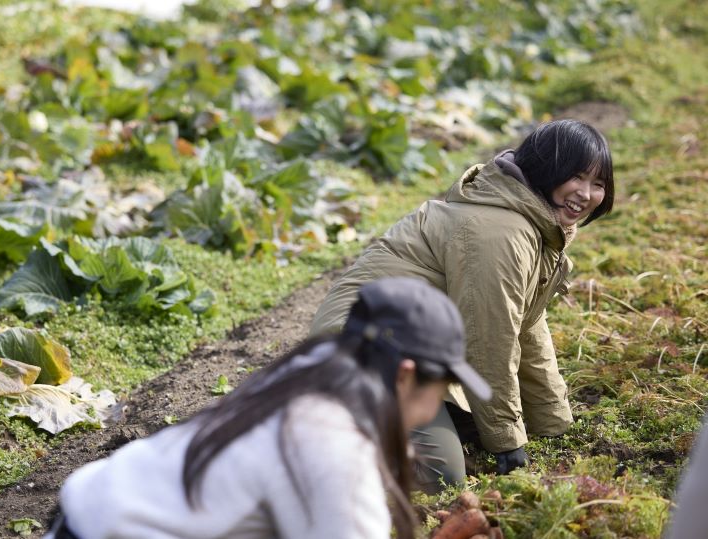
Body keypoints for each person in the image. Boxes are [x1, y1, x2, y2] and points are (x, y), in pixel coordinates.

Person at [45, 277, 491, 539]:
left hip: (89, 511)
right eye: (442, 387)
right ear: (405, 374)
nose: (437, 405)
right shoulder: (337, 448)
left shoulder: (311, 367)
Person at [310, 119, 614, 492]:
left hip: (409, 352)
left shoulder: (535, 224)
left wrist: (552, 424)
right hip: (363, 348)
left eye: (597, 184)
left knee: (471, 428)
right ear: (546, 168)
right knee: (440, 473)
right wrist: (508, 441)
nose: (586, 194)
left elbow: (527, 328)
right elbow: (489, 341)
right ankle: (314, 454)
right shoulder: (501, 233)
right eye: (576, 177)